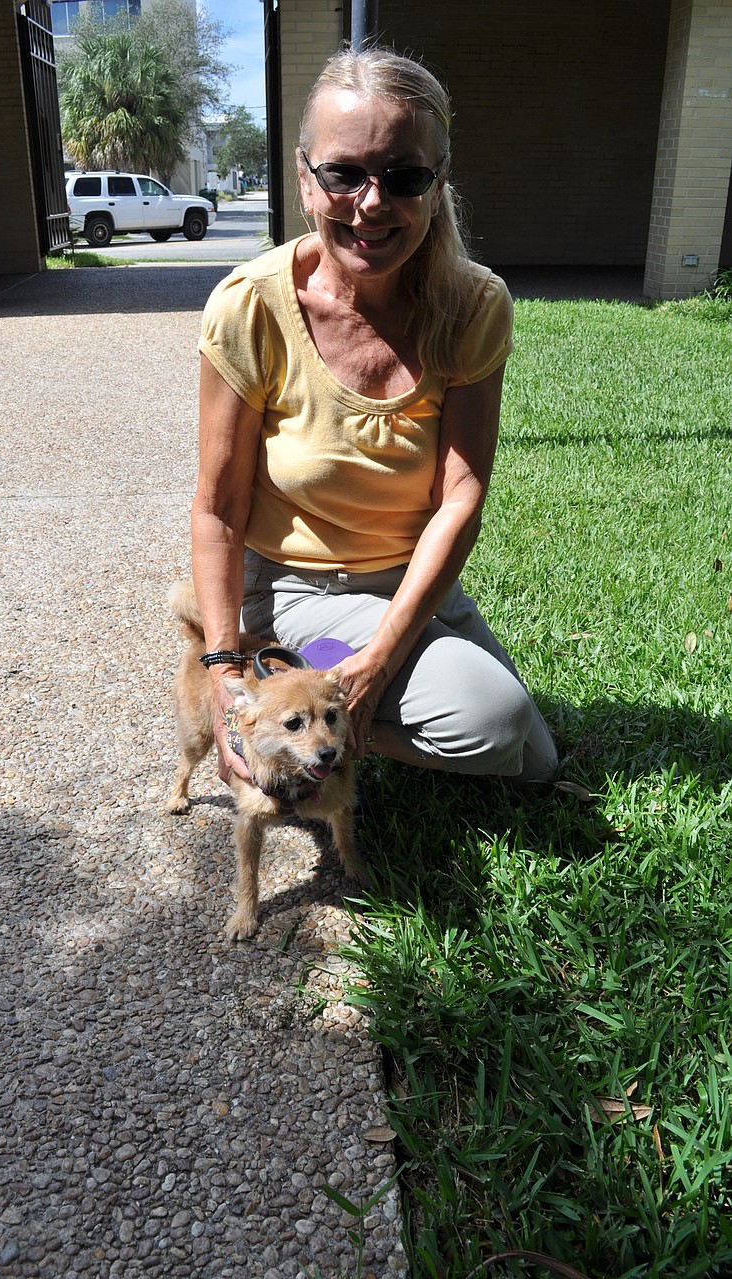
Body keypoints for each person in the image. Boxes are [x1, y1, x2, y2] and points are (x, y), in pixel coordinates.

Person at [190, 46, 558, 788]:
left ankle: (318, 699)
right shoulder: (252, 305)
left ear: (437, 182)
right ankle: (284, 718)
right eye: (345, 173)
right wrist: (224, 673)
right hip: (298, 588)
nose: (373, 201)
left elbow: (461, 495)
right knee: (493, 719)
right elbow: (219, 507)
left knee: (531, 761)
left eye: (404, 176)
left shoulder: (474, 306)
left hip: (409, 577)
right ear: (305, 177)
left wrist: (385, 652)